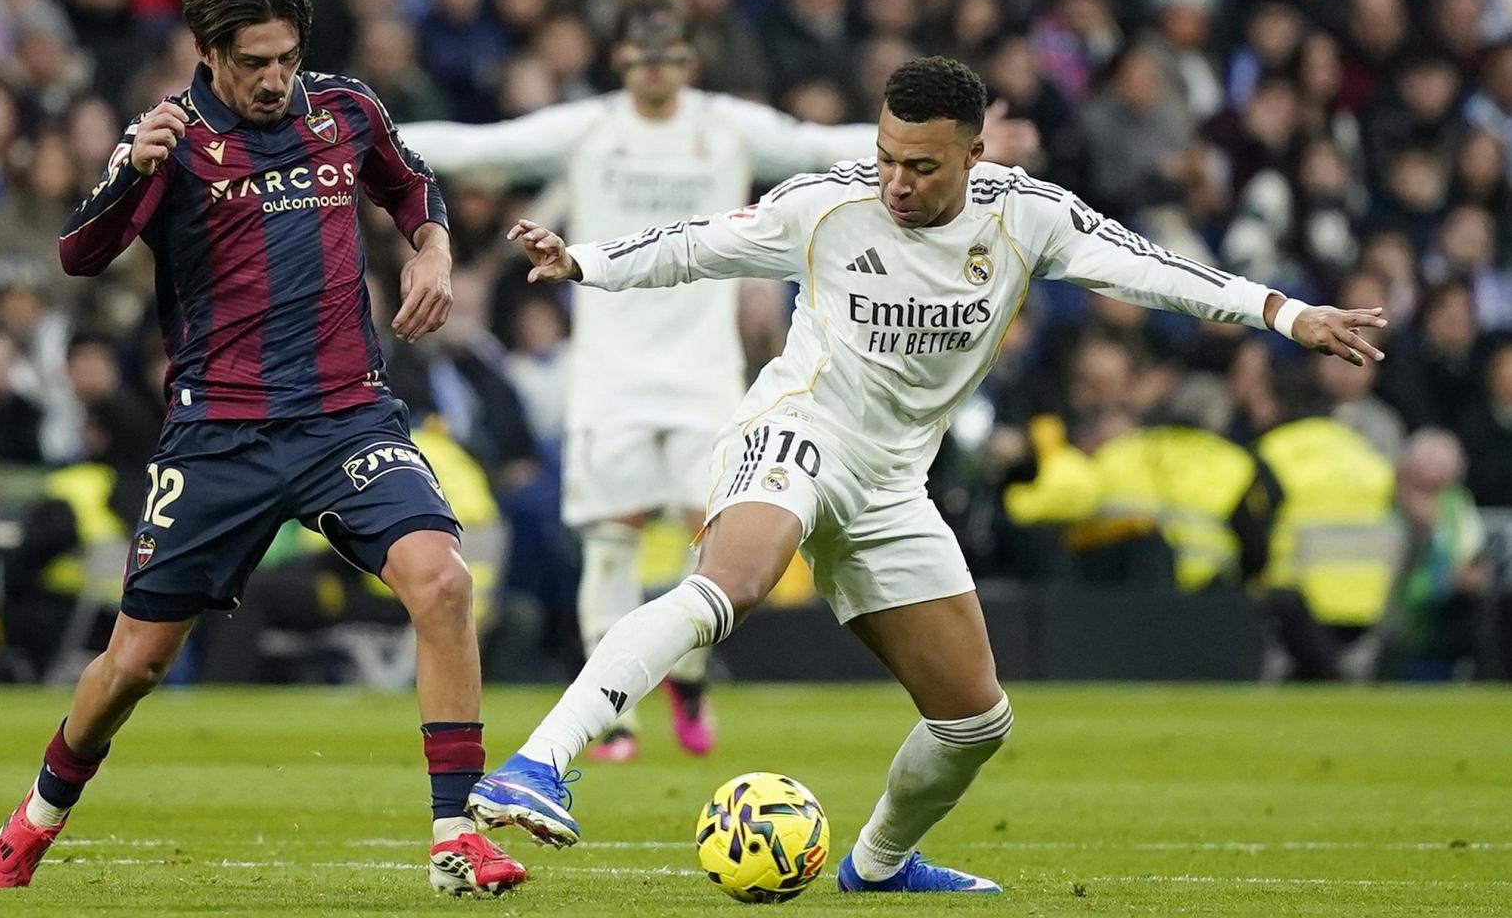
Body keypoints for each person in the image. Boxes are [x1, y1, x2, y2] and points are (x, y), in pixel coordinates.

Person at [471, 56, 1385, 894]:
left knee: (975, 722)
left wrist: (1285, 312)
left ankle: (879, 866)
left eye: (922, 167)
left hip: (891, 483)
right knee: (732, 583)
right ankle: (540, 764)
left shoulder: (1027, 215)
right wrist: (584, 260)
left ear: (974, 154)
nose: (897, 183)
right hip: (800, 427)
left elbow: (1149, 270)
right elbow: (699, 242)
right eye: (886, 159)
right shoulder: (827, 203)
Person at [0, 0, 526, 895]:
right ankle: (35, 819)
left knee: (441, 585)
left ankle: (453, 837)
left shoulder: (345, 110)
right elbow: (78, 254)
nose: (276, 78)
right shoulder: (168, 139)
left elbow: (410, 187)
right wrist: (127, 173)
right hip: (219, 434)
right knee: (136, 662)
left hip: (347, 418)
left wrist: (429, 252)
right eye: (254, 61)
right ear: (209, 53)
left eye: (287, 57)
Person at [399, 0, 876, 762]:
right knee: (610, 542)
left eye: (672, 52)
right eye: (643, 52)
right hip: (611, 371)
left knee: (713, 540)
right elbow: (479, 145)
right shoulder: (589, 129)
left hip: (704, 369)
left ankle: (687, 676)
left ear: (691, 58)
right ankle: (612, 716)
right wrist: (351, 131)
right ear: (619, 57)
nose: (657, 67)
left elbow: (817, 144)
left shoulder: (725, 127)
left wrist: (951, 138)